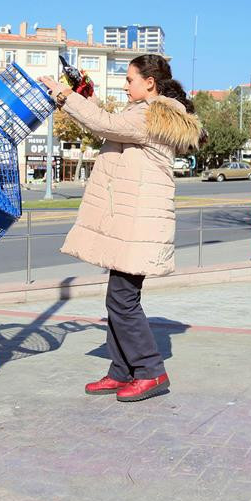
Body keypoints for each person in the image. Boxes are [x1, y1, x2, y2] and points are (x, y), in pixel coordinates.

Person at [38, 55, 201, 402]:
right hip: (131, 221)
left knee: (123, 300)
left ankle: (150, 371)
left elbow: (105, 124)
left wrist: (65, 95)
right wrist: (84, 95)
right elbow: (110, 122)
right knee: (119, 298)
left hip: (139, 222)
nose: (126, 86)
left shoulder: (153, 115)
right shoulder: (145, 113)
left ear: (150, 83)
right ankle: (121, 371)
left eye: (129, 80)